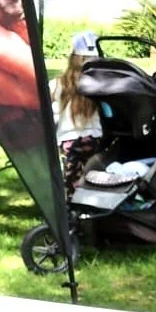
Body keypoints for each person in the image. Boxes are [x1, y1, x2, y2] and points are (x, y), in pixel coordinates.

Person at [51, 31, 104, 195]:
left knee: (71, 182)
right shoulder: (102, 84)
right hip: (97, 140)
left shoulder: (58, 84)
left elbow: (50, 115)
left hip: (68, 142)